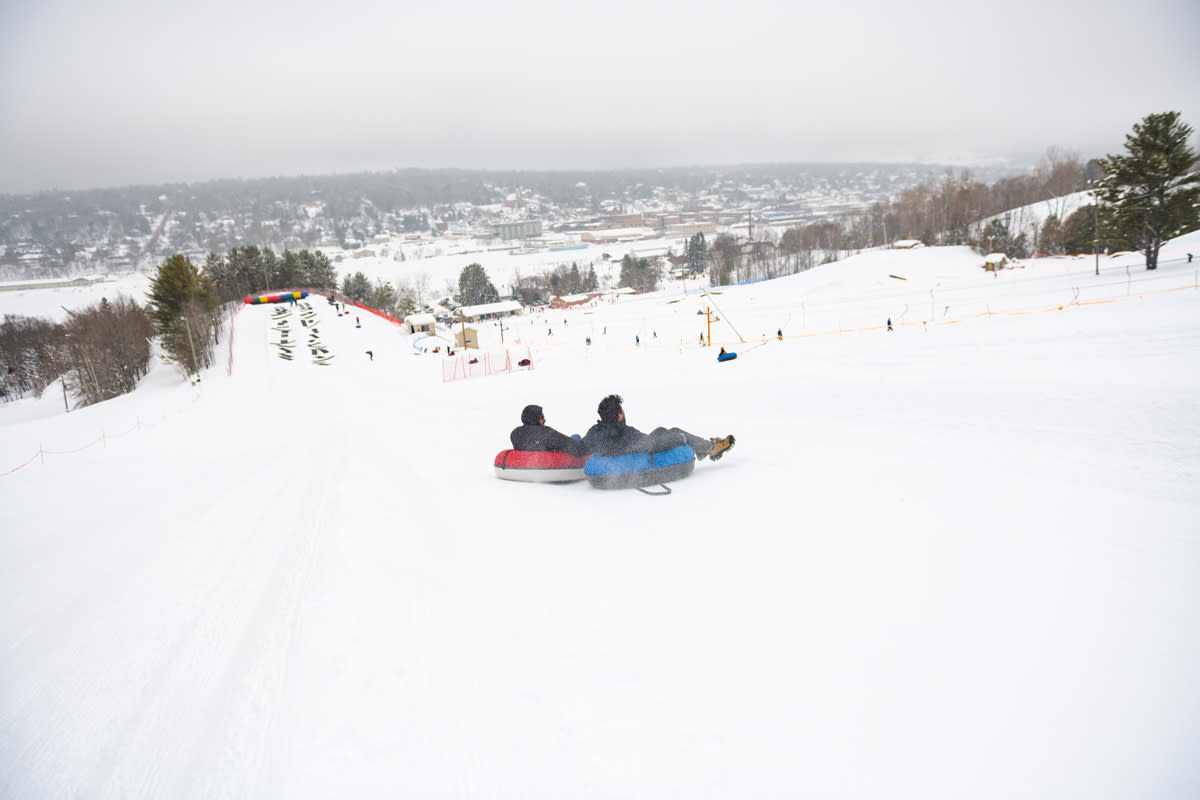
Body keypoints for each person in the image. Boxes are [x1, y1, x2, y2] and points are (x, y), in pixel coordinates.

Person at [582, 394, 734, 461]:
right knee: (676, 432)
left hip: (641, 442)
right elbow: (650, 446)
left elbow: (582, 446)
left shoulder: (596, 431)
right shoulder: (622, 433)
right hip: (646, 447)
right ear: (620, 415)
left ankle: (705, 449)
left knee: (661, 429)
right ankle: (711, 448)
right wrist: (680, 438)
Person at [510, 404, 590, 456]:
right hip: (548, 462)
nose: (545, 420)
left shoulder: (515, 433)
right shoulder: (546, 433)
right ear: (537, 419)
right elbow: (571, 445)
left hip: (525, 463)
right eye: (542, 417)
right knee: (576, 438)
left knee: (574, 437)